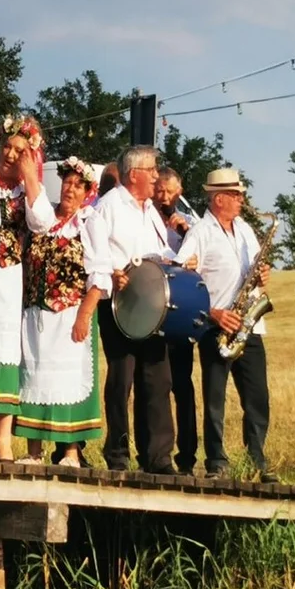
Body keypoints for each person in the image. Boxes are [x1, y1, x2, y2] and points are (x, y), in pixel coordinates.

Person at [175, 168, 276, 482]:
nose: (242, 199)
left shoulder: (245, 229)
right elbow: (184, 283)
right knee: (215, 401)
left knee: (257, 397)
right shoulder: (199, 233)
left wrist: (263, 275)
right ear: (219, 198)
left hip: (249, 325)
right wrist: (215, 313)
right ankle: (217, 462)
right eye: (236, 194)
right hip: (216, 327)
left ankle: (257, 459)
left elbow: (258, 267)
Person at [87, 145, 179, 473]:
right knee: (121, 379)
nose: (157, 175)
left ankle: (157, 457)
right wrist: (114, 269)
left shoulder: (150, 211)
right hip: (120, 305)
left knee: (157, 379)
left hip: (152, 308)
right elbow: (94, 249)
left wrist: (178, 257)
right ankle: (117, 454)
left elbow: (161, 249)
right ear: (134, 174)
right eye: (153, 170)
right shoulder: (108, 207)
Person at [14, 157, 110, 466]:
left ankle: (70, 452)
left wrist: (84, 315)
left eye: (77, 185)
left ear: (87, 192)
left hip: (69, 314)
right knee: (35, 378)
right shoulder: (43, 219)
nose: (70, 189)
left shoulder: (88, 222)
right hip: (35, 313)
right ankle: (33, 452)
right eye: (67, 183)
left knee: (66, 381)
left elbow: (100, 274)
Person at [0, 115, 54, 461]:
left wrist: (32, 176)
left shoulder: (27, 190)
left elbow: (43, 223)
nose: (9, 154)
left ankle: (5, 440)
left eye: (19, 151)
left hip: (8, 280)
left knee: (6, 350)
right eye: (7, 146)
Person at [155, 166, 198, 473]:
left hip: (180, 312)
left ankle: (188, 455)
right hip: (154, 310)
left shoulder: (191, 225)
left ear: (179, 193)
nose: (164, 197)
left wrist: (184, 233)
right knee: (156, 385)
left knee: (182, 386)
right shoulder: (145, 217)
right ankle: (157, 455)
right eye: (160, 191)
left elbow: (198, 262)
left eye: (170, 192)